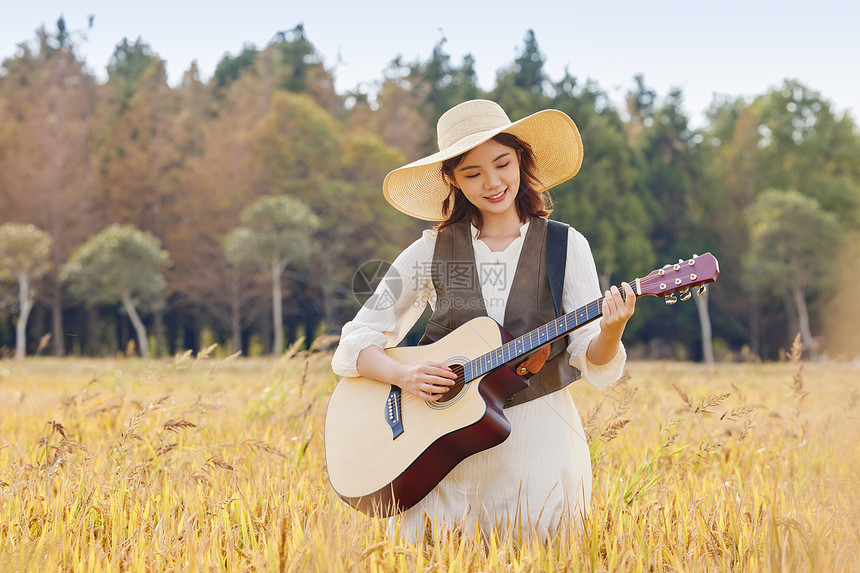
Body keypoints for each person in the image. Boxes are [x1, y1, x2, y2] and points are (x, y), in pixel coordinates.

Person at [331, 99, 636, 542]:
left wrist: (611, 329)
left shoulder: (566, 246)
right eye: (472, 173)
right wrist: (406, 375)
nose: (492, 183)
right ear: (452, 180)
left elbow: (593, 356)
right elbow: (358, 340)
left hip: (537, 445)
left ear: (522, 161)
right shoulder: (430, 250)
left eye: (502, 163)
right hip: (441, 451)